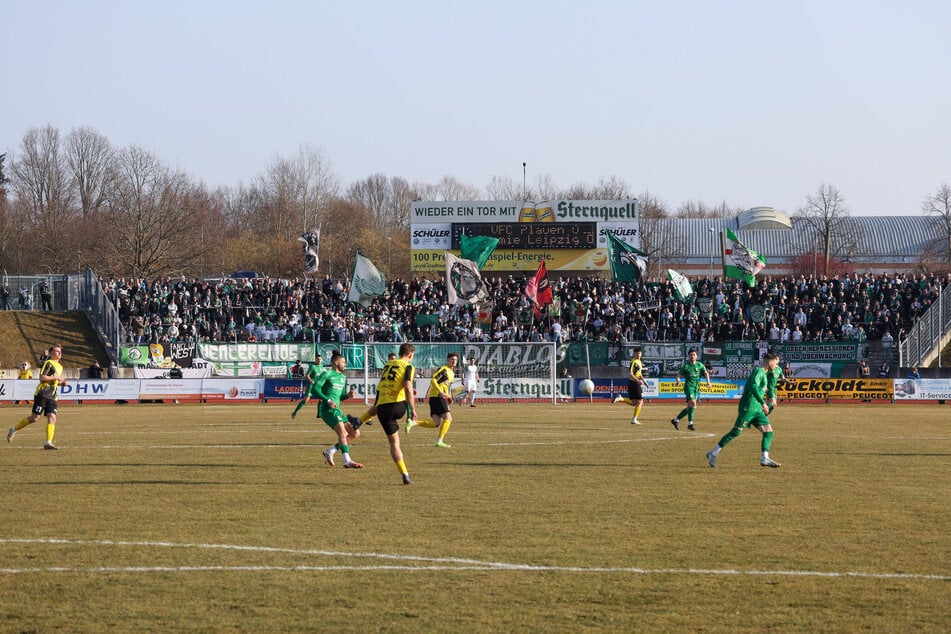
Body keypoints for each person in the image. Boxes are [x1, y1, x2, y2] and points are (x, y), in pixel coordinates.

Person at [706, 352, 781, 468]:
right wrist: (763, 403)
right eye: (775, 364)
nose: (776, 367)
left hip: (757, 409)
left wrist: (769, 399)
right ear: (770, 361)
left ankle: (764, 457)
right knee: (736, 432)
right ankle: (713, 453)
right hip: (749, 407)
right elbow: (754, 387)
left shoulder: (765, 374)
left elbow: (766, 388)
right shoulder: (759, 371)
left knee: (768, 431)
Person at [8, 343, 66, 450]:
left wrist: (62, 383)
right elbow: (42, 377)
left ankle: (48, 442)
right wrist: (56, 377)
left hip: (53, 396)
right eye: (57, 351)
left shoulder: (60, 367)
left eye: (60, 351)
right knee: (35, 418)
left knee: (52, 417)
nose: (59, 353)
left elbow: (54, 381)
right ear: (51, 353)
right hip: (43, 394)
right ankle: (13, 429)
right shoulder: (48, 363)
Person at [375, 343, 417, 485]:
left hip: (382, 408)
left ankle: (404, 474)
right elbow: (407, 386)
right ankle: (409, 421)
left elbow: (380, 387)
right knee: (405, 399)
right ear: (410, 355)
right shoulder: (408, 366)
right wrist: (412, 410)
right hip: (397, 407)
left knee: (394, 443)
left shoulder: (388, 364)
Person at [315, 351, 364, 468]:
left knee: (355, 433)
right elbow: (315, 388)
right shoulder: (327, 374)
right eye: (344, 362)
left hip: (337, 409)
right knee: (343, 432)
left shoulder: (342, 377)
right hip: (327, 409)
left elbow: (340, 396)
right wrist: (328, 400)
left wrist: (348, 395)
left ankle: (330, 451)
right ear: (336, 363)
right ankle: (347, 460)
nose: (345, 364)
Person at [407, 352, 458, 447]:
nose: (454, 361)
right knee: (448, 418)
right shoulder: (444, 369)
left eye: (455, 360)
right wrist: (441, 392)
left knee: (436, 423)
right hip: (437, 396)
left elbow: (444, 386)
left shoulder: (452, 373)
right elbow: (433, 380)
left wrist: (448, 396)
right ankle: (439, 441)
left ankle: (413, 422)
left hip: (436, 397)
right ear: (448, 360)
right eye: (452, 359)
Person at [671, 348, 711, 431]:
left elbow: (706, 373)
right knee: (693, 403)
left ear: (696, 356)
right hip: (688, 387)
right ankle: (690, 424)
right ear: (688, 356)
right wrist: (678, 380)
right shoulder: (686, 366)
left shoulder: (700, 365)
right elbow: (678, 375)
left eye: (694, 355)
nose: (692, 356)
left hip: (696, 388)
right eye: (690, 355)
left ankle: (676, 420)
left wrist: (708, 382)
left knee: (690, 407)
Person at [613, 347, 648, 425]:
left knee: (634, 403)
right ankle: (634, 419)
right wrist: (638, 381)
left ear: (641, 354)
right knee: (640, 401)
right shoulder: (634, 362)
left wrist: (644, 381)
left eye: (639, 353)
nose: (638, 355)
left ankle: (621, 398)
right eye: (636, 353)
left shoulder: (639, 361)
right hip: (634, 384)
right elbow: (630, 374)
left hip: (634, 383)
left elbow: (639, 373)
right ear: (634, 354)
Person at [291, 353, 325, 419]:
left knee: (321, 399)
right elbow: (307, 375)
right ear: (315, 360)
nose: (319, 360)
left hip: (317, 386)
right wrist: (312, 382)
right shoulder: (312, 366)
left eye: (320, 359)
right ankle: (294, 412)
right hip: (311, 386)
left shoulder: (321, 366)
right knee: (306, 400)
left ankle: (319, 414)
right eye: (318, 359)